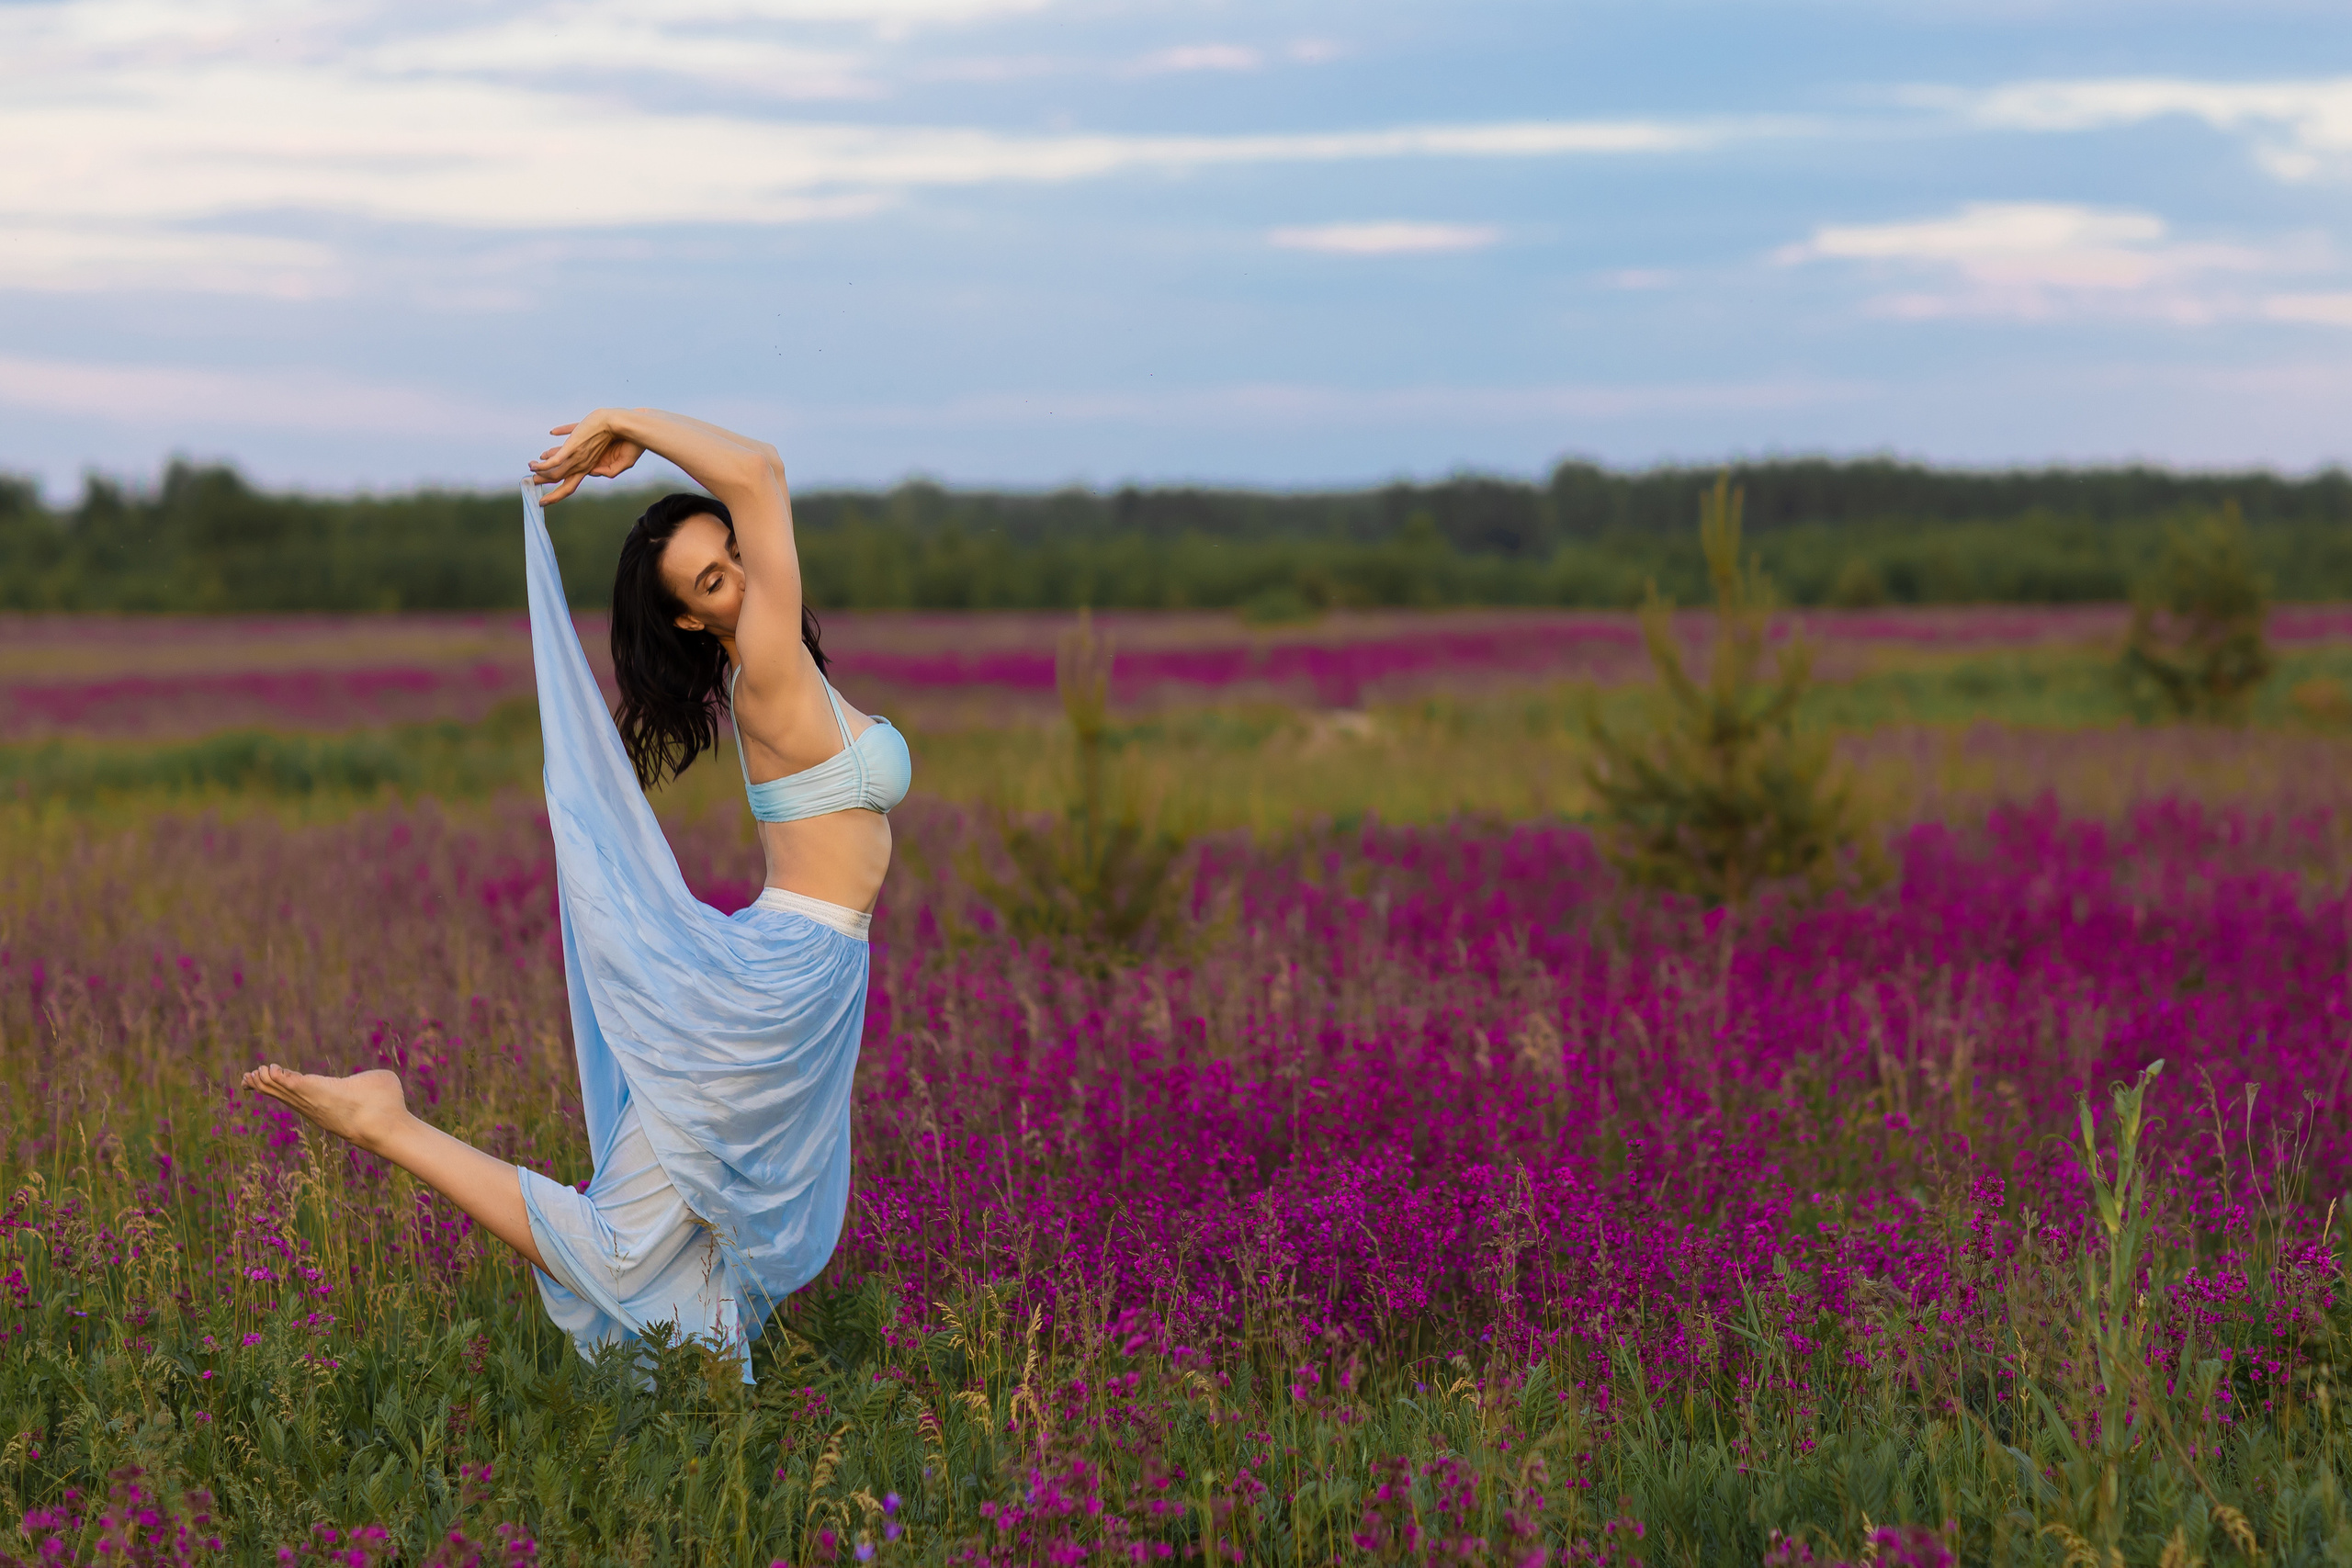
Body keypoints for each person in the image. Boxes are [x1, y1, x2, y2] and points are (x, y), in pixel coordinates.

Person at [242, 409, 910, 1374]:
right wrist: (622, 420)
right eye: (713, 577)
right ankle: (385, 1124)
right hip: (773, 989)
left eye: (732, 550)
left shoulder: (785, 662)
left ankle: (706, 1415)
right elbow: (759, 470)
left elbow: (751, 491)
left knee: (676, 1249)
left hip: (798, 982)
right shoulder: (767, 671)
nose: (744, 572)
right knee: (629, 1245)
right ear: (694, 615)